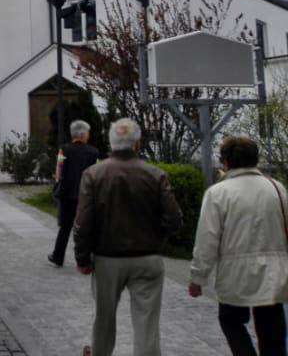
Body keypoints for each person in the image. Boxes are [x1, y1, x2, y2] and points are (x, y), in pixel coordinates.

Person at [73, 118, 183, 356]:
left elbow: (83, 222)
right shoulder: (156, 175)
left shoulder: (93, 174)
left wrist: (82, 258)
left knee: (103, 318)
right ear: (137, 144)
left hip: (106, 258)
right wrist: (156, 238)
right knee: (147, 324)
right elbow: (174, 219)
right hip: (147, 257)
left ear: (111, 143)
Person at [188, 135, 288, 355]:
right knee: (272, 328)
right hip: (274, 271)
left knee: (231, 321)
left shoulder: (218, 193)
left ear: (225, 161)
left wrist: (198, 277)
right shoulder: (277, 188)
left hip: (235, 273)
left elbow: (207, 240)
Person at [48, 119, 99, 267]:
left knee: (65, 227)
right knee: (86, 228)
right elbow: (96, 174)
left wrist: (57, 188)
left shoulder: (64, 149)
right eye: (88, 133)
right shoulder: (93, 152)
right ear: (83, 135)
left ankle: (58, 256)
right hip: (87, 195)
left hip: (67, 194)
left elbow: (58, 173)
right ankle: (86, 258)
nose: (88, 135)